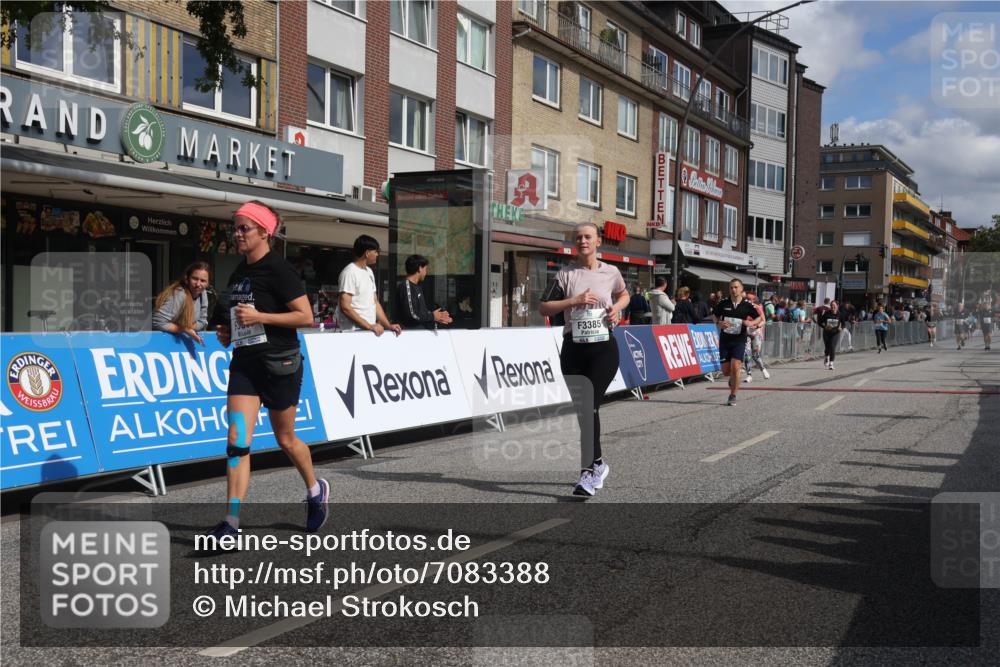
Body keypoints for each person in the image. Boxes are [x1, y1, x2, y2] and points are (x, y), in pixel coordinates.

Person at [207, 201, 327, 542]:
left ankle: (315, 489)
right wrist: (228, 333)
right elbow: (236, 319)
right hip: (245, 365)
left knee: (285, 438)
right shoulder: (239, 273)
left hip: (280, 364)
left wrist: (261, 317)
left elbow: (305, 316)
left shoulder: (279, 269)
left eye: (243, 228)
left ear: (264, 232)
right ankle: (231, 523)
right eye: (235, 228)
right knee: (236, 441)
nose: (237, 234)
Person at [538, 222, 629, 497]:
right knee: (584, 411)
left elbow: (624, 294)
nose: (582, 241)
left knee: (589, 406)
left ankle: (587, 473)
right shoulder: (565, 274)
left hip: (603, 350)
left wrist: (616, 309)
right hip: (573, 349)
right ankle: (598, 463)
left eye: (588, 237)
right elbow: (544, 307)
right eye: (578, 237)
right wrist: (573, 300)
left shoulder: (611, 272)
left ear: (598, 241)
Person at [336, 235, 401, 336]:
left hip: (368, 331)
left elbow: (375, 302)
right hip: (352, 332)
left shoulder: (369, 272)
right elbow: (345, 307)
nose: (377, 254)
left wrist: (388, 326)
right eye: (376, 251)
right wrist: (369, 326)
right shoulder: (349, 272)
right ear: (367, 253)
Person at [713, 278, 763, 406]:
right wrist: (719, 323)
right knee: (726, 371)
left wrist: (751, 323)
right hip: (725, 340)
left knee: (736, 367)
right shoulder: (723, 302)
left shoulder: (747, 304)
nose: (733, 290)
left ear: (741, 289)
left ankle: (733, 395)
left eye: (736, 287)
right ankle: (733, 379)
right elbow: (714, 315)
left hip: (739, 340)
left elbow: (760, 318)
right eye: (731, 287)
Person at [152, 261, 211, 344]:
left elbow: (202, 322)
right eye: (195, 279)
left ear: (207, 284)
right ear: (187, 279)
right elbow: (157, 322)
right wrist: (184, 329)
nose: (198, 284)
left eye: (203, 281)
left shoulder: (202, 293)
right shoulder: (179, 294)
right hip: (154, 341)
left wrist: (188, 328)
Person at [395, 254, 453, 330]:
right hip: (409, 333)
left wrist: (437, 317)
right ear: (420, 268)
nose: (426, 272)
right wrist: (433, 316)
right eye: (425, 269)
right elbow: (413, 314)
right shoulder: (406, 286)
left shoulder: (417, 287)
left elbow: (421, 313)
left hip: (420, 332)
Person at [743, 292, 770, 383]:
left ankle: (763, 369)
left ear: (754, 300)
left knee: (755, 355)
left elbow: (764, 320)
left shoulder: (758, 308)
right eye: (747, 299)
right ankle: (749, 375)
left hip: (756, 333)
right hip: (745, 334)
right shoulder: (742, 308)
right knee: (746, 355)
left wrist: (757, 326)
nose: (748, 300)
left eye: (750, 299)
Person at [818, 299, 844, 369]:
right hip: (827, 333)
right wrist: (824, 327)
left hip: (835, 333)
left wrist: (841, 328)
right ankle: (826, 357)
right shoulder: (827, 313)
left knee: (832, 347)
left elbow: (844, 324)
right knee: (827, 347)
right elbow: (819, 322)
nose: (833, 307)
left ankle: (831, 363)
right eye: (831, 305)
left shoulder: (840, 314)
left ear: (837, 306)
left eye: (834, 305)